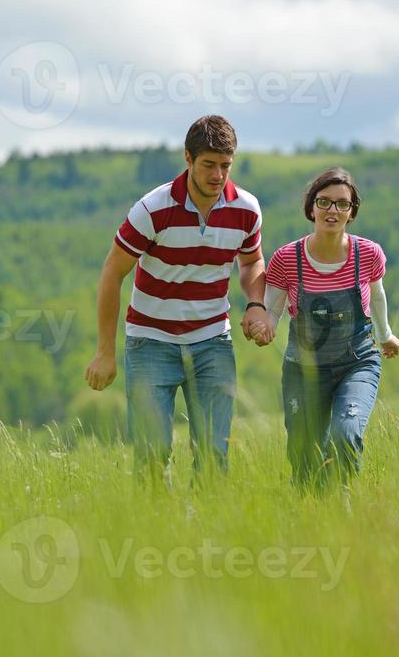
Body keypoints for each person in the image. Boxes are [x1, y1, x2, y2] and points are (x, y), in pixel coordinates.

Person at [85, 115, 271, 479]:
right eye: (208, 165)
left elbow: (251, 262)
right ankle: (162, 533)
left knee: (215, 453)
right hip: (151, 343)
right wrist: (105, 351)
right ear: (188, 159)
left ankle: (209, 532)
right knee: (152, 458)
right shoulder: (153, 210)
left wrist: (255, 304)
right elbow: (112, 273)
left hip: (213, 341)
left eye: (225, 166)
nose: (217, 176)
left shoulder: (247, 210)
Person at [248, 166, 399, 496]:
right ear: (311, 207)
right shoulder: (288, 259)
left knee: (346, 433)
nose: (333, 210)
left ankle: (342, 501)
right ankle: (309, 516)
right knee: (304, 455)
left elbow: (377, 294)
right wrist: (265, 328)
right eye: (324, 202)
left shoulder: (368, 254)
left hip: (356, 362)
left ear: (352, 211)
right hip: (303, 369)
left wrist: (386, 335)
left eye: (342, 204)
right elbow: (272, 310)